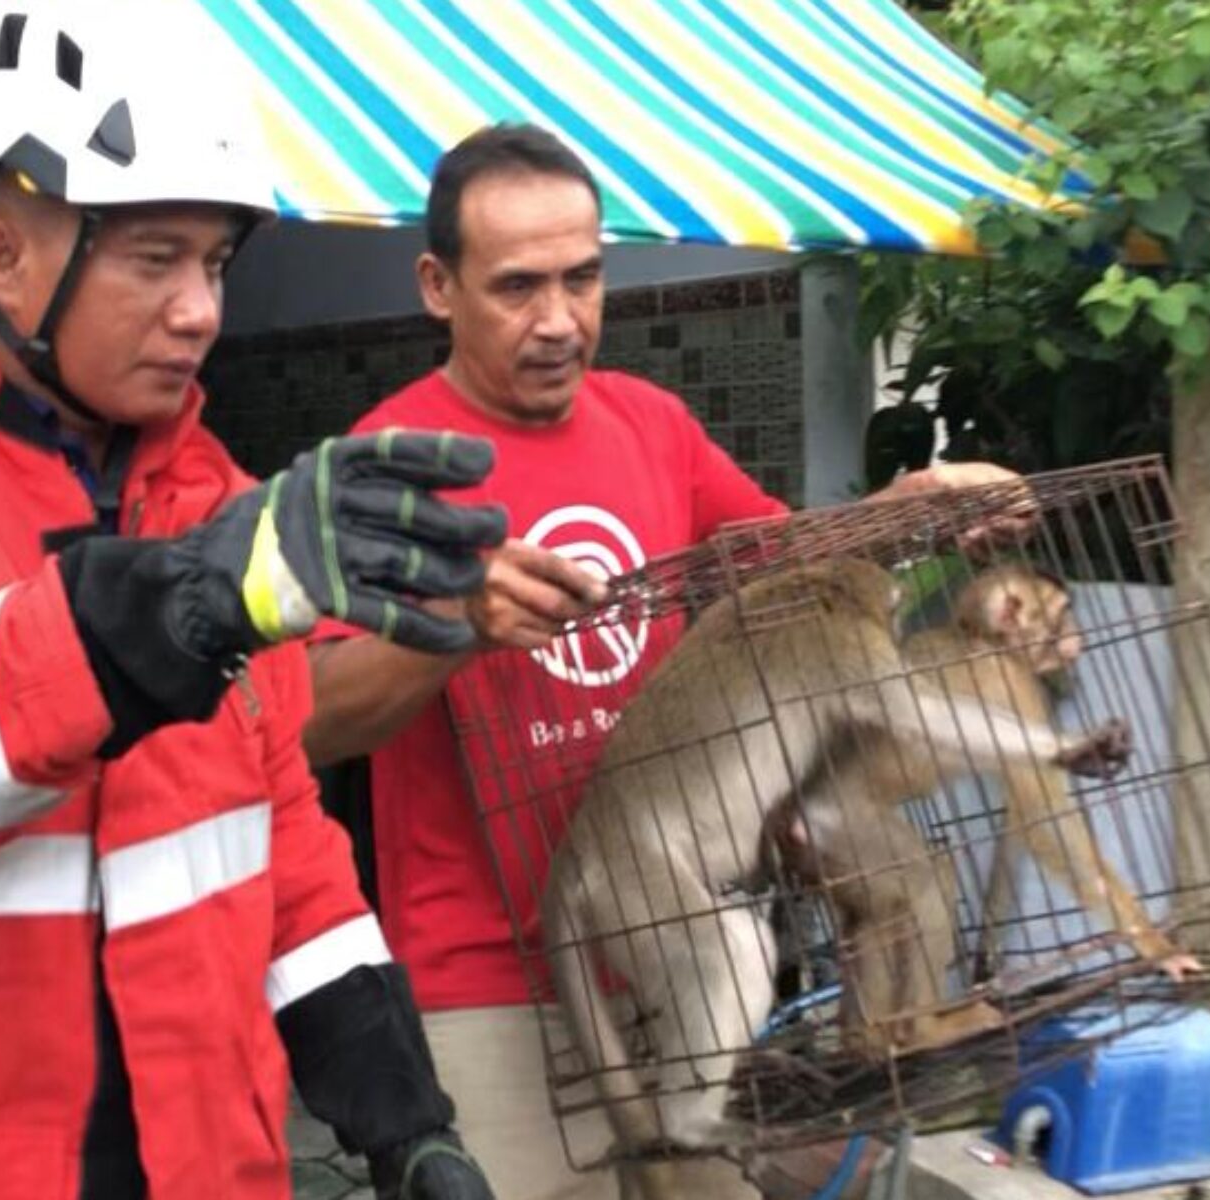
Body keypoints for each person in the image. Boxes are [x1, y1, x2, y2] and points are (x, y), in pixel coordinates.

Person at [0, 4, 505, 1197]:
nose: (202, 311)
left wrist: (406, 1122)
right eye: (154, 257)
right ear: (4, 255)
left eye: (214, 262)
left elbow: (278, 854)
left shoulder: (208, 507)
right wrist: (158, 619)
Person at [303, 123, 1020, 1200]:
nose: (558, 321)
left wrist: (908, 512)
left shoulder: (651, 424)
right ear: (436, 286)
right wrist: (451, 617)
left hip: (683, 937)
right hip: (490, 985)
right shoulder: (375, 469)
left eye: (582, 279)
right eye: (517, 287)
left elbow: (776, 559)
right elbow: (312, 717)